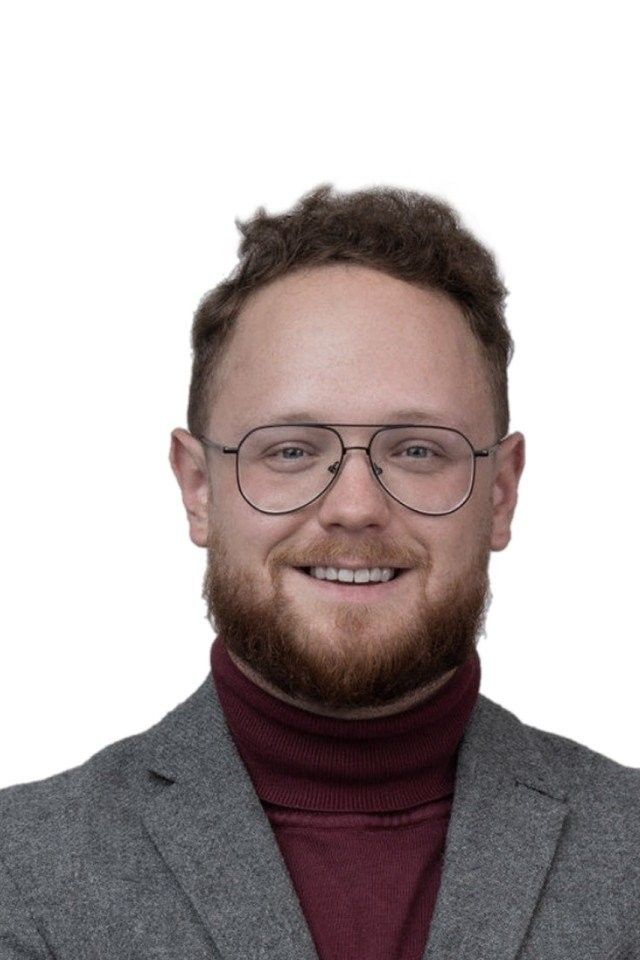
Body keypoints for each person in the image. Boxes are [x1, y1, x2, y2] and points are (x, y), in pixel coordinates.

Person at [1, 186, 638, 960]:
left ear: (500, 493)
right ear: (198, 489)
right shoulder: (20, 875)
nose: (355, 508)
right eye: (292, 450)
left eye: (418, 450)